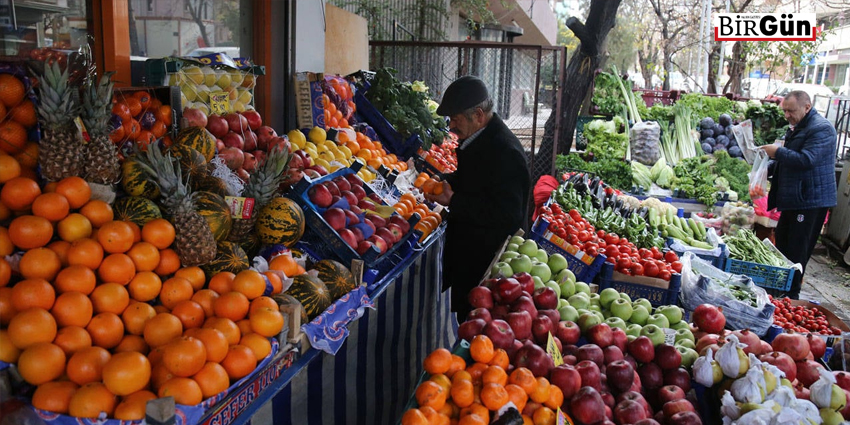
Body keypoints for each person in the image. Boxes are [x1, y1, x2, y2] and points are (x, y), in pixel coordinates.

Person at [425, 76, 531, 320]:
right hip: (471, 254)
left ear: (479, 115)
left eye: (456, 119)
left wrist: (455, 201)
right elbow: (476, 181)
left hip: (486, 265)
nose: (451, 125)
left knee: (475, 325)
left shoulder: (506, 152)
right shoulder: (481, 140)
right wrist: (446, 181)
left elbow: (508, 215)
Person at [761, 90, 837, 299]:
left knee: (797, 250)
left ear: (807, 107)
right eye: (784, 110)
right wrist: (765, 168)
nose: (787, 115)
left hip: (810, 201)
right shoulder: (798, 127)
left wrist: (777, 152)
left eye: (791, 111)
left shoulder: (822, 129)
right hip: (795, 199)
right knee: (783, 246)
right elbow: (790, 160)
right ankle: (780, 293)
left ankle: (791, 296)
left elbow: (806, 160)